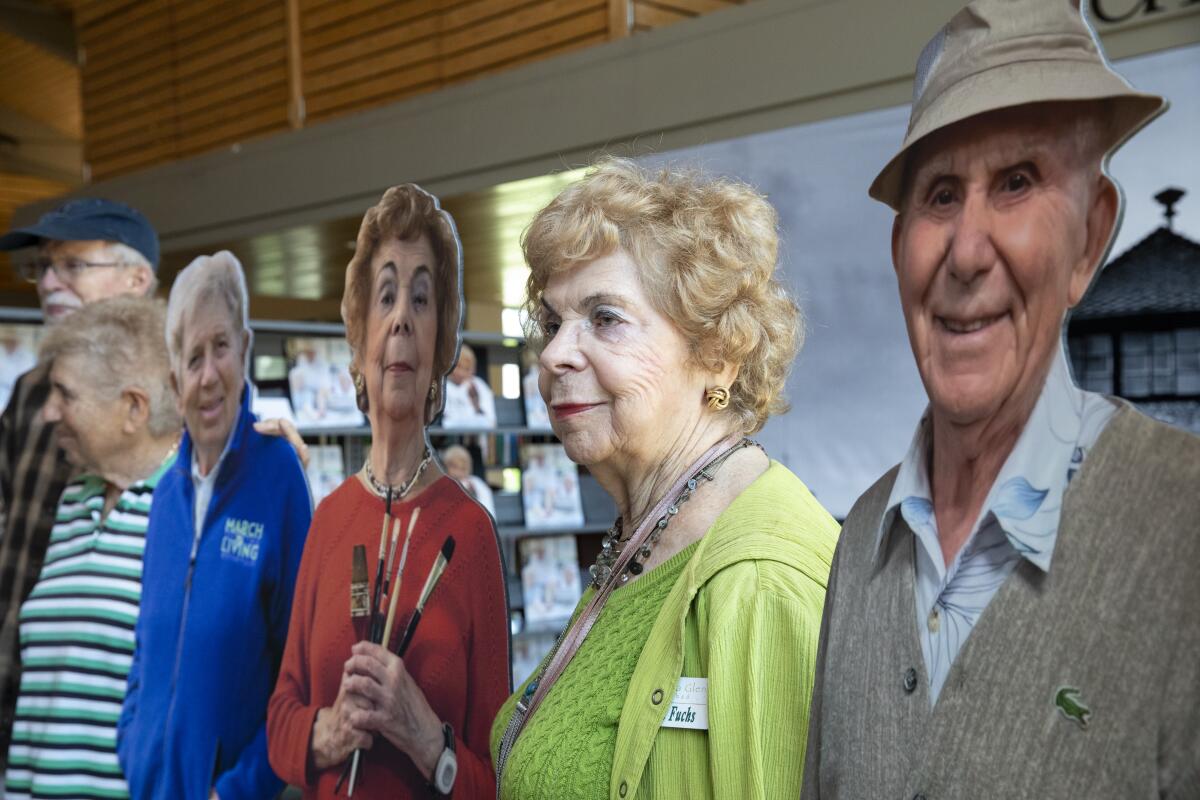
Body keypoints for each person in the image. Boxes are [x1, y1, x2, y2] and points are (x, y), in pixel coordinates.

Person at [801, 1, 1200, 797]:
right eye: (941, 195)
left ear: (1091, 237)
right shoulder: (858, 548)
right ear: (898, 247)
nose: (967, 251)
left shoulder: (1183, 531)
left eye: (1017, 183)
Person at [490, 158, 840, 799]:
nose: (552, 354)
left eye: (604, 318)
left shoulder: (760, 583)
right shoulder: (643, 537)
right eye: (552, 321)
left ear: (718, 356)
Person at [267, 185, 510, 798]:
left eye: (422, 298)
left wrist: (424, 736)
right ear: (360, 336)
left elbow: (500, 776)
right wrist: (328, 733)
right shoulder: (329, 520)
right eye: (387, 295)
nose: (402, 316)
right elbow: (281, 718)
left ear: (439, 340)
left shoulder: (470, 534)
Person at [117, 251, 312, 800]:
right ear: (174, 378)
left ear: (244, 349)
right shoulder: (164, 498)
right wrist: (132, 746)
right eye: (192, 356)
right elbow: (146, 649)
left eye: (220, 347)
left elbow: (303, 673)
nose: (208, 376)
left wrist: (238, 789)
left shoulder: (279, 479)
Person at [0, 199, 160, 771]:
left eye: (71, 265)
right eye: (42, 267)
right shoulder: (28, 393)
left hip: (126, 722)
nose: (48, 282)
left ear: (138, 279)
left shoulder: (190, 396)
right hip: (22, 707)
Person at [441, 343, 496, 429]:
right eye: (458, 367)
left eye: (466, 368)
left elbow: (490, 422)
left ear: (473, 369)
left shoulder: (479, 386)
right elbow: (445, 423)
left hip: (478, 437)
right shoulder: (444, 386)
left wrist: (476, 404)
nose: (461, 373)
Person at [441, 444, 496, 517]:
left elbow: (489, 516)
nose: (459, 470)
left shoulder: (479, 485)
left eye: (462, 466)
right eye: (454, 466)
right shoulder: (443, 486)